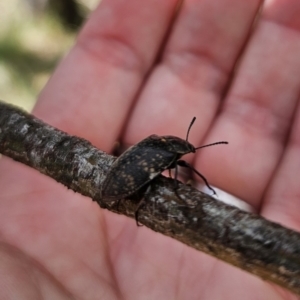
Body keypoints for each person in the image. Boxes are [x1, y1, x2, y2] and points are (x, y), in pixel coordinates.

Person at [1, 0, 300, 298]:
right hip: (124, 178)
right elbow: (167, 170)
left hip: (120, 171)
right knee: (157, 182)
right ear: (177, 151)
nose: (185, 155)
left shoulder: (162, 144)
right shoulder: (169, 156)